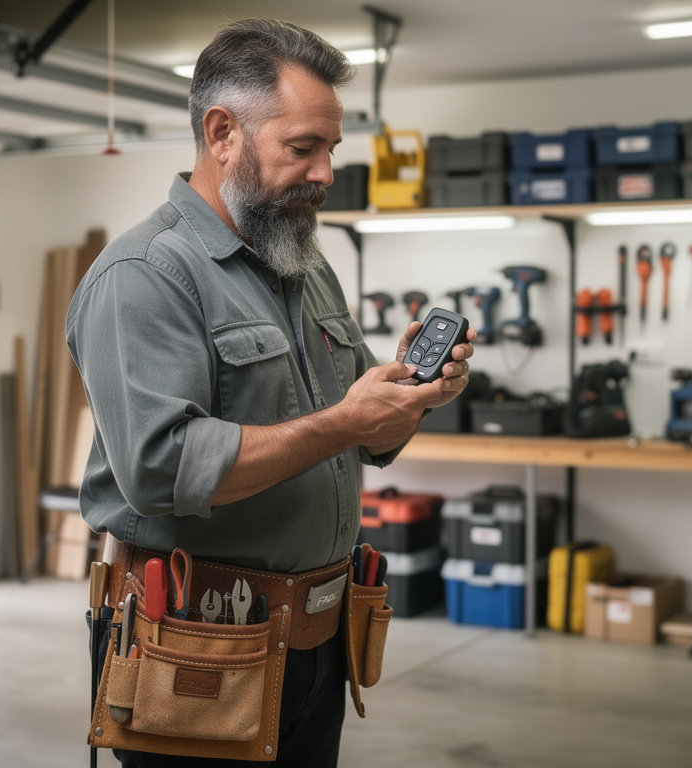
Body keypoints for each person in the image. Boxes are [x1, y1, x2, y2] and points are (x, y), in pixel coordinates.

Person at [66, 18, 475, 767]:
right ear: (222, 133)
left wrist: (406, 404)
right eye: (302, 148)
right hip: (194, 644)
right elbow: (162, 468)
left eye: (330, 149)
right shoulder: (147, 275)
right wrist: (345, 423)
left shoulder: (300, 264)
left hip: (317, 638)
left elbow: (359, 429)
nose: (325, 172)